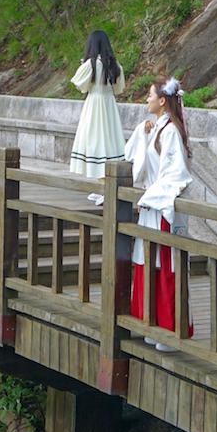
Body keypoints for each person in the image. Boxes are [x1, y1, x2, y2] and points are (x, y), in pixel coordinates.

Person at [124, 77, 194, 351]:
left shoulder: (171, 132)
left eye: (149, 95)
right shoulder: (158, 127)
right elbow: (133, 155)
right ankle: (150, 324)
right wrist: (143, 130)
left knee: (165, 265)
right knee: (147, 263)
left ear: (162, 100)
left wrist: (150, 197)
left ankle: (169, 330)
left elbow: (176, 174)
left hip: (162, 206)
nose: (146, 100)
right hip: (153, 203)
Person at [68, 30, 125, 180]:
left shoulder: (91, 64)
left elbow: (81, 86)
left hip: (94, 103)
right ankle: (108, 179)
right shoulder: (115, 65)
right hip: (109, 104)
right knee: (110, 137)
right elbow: (118, 89)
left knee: (94, 137)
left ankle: (100, 178)